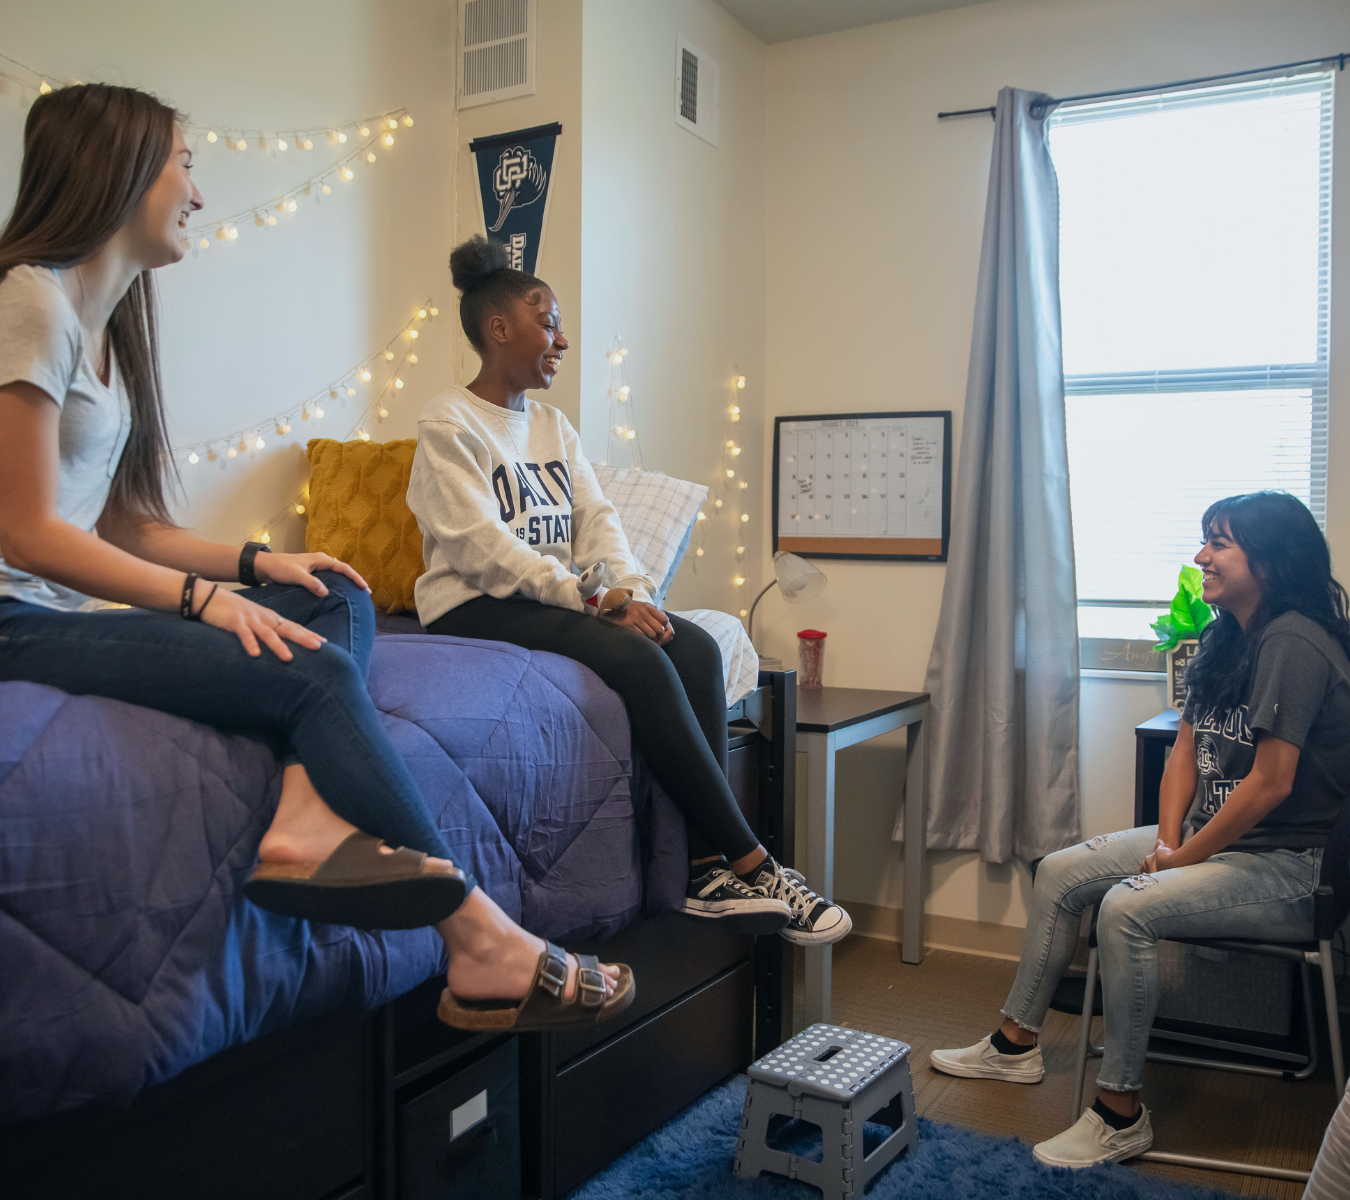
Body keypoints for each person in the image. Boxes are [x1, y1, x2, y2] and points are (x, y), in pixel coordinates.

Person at [0, 83, 632, 1034]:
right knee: (314, 676)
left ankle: (304, 817)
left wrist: (255, 566)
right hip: (18, 623)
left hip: (68, 609)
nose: (198, 194)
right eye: (185, 163)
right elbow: (29, 534)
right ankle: (483, 940)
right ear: (119, 169)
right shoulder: (30, 304)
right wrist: (202, 603)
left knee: (338, 595)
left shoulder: (108, 328)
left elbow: (124, 519)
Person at [406, 235, 850, 947]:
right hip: (478, 605)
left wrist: (633, 590)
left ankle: (705, 872)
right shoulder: (448, 422)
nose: (563, 338)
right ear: (498, 328)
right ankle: (755, 862)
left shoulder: (553, 425)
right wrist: (590, 599)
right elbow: (478, 548)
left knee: (694, 646)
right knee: (640, 664)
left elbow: (598, 522)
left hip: (558, 596)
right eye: (547, 320)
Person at [929, 491, 1350, 1168]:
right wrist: (1166, 839)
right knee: (1063, 871)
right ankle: (1014, 1046)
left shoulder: (1294, 642)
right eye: (1204, 539)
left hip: (1288, 867)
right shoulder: (1226, 634)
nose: (1200, 556)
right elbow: (1186, 749)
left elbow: (1271, 783)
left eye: (1219, 543)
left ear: (1270, 562)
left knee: (1125, 909)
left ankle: (1120, 1112)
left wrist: (1182, 857)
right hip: (1214, 838)